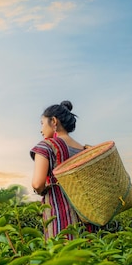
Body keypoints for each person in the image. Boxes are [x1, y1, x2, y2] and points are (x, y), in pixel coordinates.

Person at [30, 100, 97, 240]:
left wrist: (40, 190)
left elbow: (38, 184)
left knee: (62, 258)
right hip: (89, 219)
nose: (41, 129)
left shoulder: (46, 146)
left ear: (54, 121)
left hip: (61, 220)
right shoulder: (84, 150)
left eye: (42, 123)